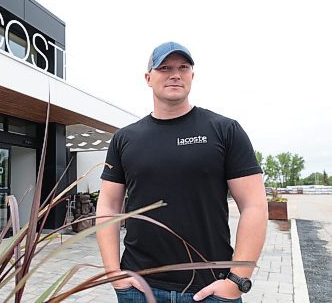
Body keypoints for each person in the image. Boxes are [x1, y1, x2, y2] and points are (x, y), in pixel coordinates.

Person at [95, 41, 268, 302]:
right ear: (148, 78)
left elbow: (254, 205)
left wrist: (237, 280)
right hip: (140, 290)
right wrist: (114, 273)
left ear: (192, 76)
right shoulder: (124, 139)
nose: (175, 74)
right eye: (164, 67)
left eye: (183, 67)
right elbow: (108, 205)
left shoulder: (225, 130)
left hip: (211, 290)